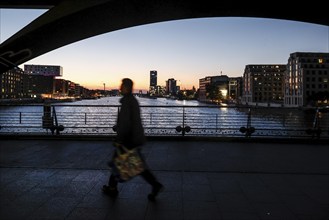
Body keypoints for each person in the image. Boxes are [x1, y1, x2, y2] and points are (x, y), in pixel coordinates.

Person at [103, 78, 163, 201]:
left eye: (122, 86)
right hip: (133, 138)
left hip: (127, 140)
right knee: (134, 165)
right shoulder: (132, 100)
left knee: (123, 164)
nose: (120, 88)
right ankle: (154, 184)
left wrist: (119, 139)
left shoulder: (127, 101)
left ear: (127, 87)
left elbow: (125, 123)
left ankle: (113, 189)